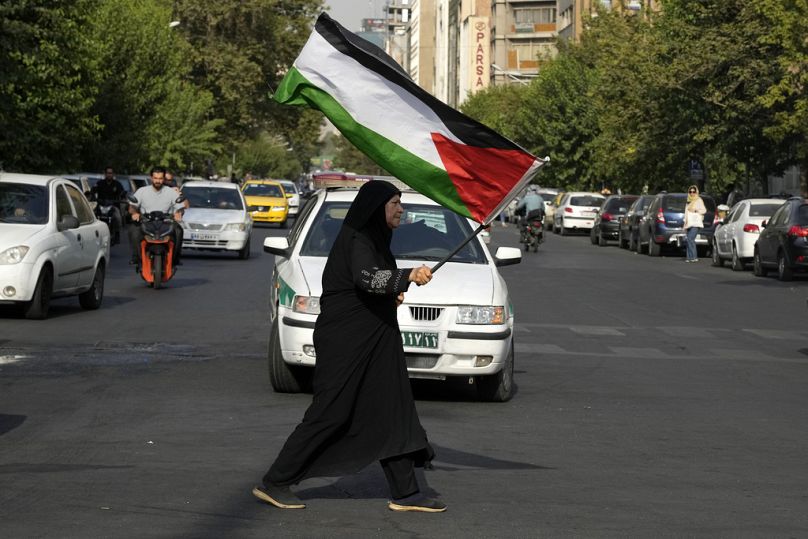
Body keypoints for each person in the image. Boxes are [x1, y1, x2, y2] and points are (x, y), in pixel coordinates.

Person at [253, 180, 446, 513]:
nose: (401, 209)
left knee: (393, 409)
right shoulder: (358, 238)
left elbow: (372, 286)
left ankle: (406, 492)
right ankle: (276, 481)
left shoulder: (375, 240)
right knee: (332, 412)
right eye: (395, 203)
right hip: (347, 344)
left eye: (401, 203)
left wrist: (393, 292)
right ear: (375, 209)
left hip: (375, 341)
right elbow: (367, 278)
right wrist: (407, 276)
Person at [128, 166, 185, 267]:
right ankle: (136, 256)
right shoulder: (142, 191)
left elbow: (180, 207)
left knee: (179, 230)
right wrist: (134, 213)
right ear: (151, 178)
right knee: (133, 229)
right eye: (155, 178)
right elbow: (132, 206)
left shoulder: (171, 192)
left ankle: (175, 258)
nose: (158, 181)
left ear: (164, 179)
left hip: (166, 222)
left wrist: (178, 213)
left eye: (160, 178)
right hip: (146, 221)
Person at [91, 167, 126, 237]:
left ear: (113, 174)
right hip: (101, 205)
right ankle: (92, 233)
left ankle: (117, 234)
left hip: (113, 206)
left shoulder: (117, 184)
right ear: (105, 174)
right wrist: (92, 197)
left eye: (110, 173)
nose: (109, 175)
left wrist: (122, 197)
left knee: (118, 217)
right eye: (108, 173)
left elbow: (122, 193)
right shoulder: (100, 183)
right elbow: (93, 190)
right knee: (91, 215)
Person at [684, 184, 706, 262]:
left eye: (694, 191)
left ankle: (694, 257)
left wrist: (696, 210)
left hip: (696, 223)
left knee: (690, 238)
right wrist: (685, 224)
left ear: (696, 192)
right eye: (690, 192)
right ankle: (689, 257)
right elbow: (686, 213)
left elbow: (704, 210)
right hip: (689, 223)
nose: (692, 193)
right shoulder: (688, 201)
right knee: (688, 240)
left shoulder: (699, 200)